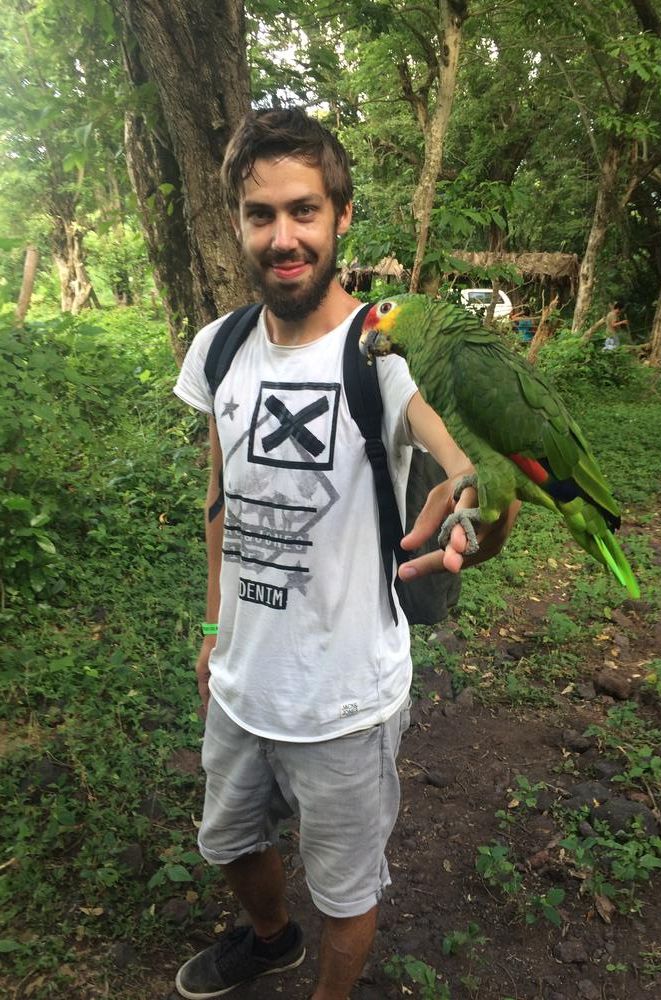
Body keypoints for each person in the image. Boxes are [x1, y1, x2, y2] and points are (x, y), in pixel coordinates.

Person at [172, 108, 519, 1000]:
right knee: (231, 841)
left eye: (303, 211)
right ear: (241, 226)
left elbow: (457, 460)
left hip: (346, 700)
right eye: (261, 215)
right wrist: (213, 623)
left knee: (347, 887)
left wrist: (470, 502)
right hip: (242, 683)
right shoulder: (217, 350)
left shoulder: (386, 350)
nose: (283, 238)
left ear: (341, 218)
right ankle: (268, 938)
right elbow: (220, 502)